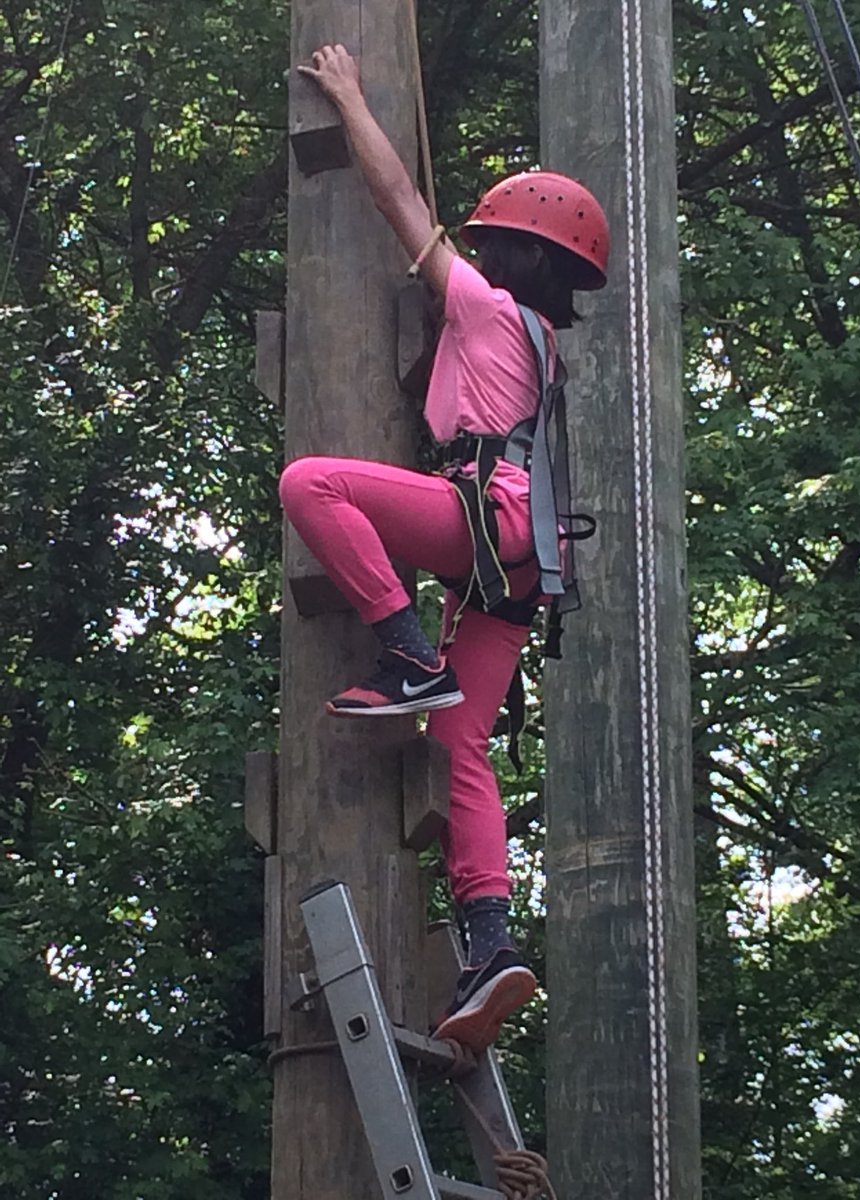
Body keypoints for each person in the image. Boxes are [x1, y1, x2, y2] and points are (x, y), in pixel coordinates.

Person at [279, 44, 609, 1053]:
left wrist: (346, 92)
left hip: (483, 523)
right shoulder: (545, 343)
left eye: (489, 241)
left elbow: (396, 198)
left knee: (312, 483)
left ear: (512, 257)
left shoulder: (481, 303)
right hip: (523, 560)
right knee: (462, 750)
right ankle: (491, 946)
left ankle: (406, 652)